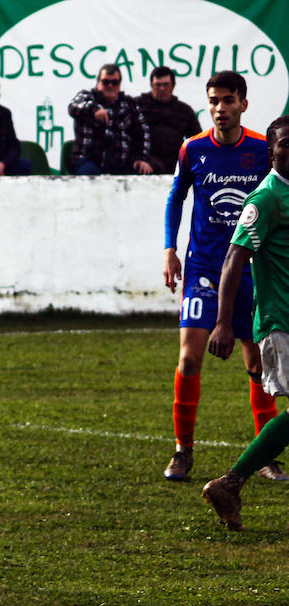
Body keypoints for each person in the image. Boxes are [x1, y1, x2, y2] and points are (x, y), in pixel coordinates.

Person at [163, 71, 275, 483]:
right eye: (214, 101)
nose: (220, 108)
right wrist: (169, 249)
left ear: (243, 104)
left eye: (228, 100)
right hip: (204, 267)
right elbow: (176, 196)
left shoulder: (264, 150)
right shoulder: (192, 149)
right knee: (190, 357)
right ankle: (182, 451)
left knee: (257, 362)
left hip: (250, 267)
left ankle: (266, 455)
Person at [202, 116, 289, 529]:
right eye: (285, 144)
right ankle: (230, 482)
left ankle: (230, 485)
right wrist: (222, 322)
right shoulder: (266, 197)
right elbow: (234, 259)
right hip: (280, 321)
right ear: (271, 151)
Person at [68, 64, 152, 175]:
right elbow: (73, 106)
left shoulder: (129, 103)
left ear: (119, 85)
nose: (110, 86)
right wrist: (94, 109)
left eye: (114, 82)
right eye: (105, 82)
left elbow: (142, 132)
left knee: (144, 173)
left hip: (121, 163)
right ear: (98, 83)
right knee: (91, 176)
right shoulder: (86, 96)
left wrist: (141, 158)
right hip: (89, 160)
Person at [139, 66, 203, 175]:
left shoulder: (184, 111)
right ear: (151, 85)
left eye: (165, 85)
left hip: (176, 165)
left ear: (173, 85)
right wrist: (139, 159)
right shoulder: (138, 106)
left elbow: (198, 141)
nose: (162, 88)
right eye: (158, 85)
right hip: (145, 164)